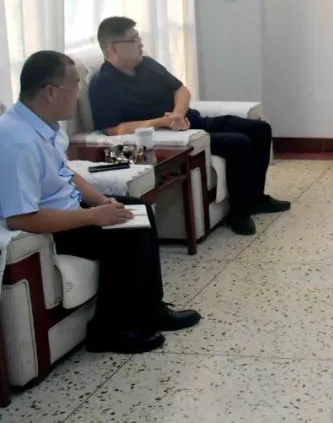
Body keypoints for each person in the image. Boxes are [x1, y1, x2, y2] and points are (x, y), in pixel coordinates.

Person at [0, 51, 201, 354]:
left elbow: (65, 173)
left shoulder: (44, 125)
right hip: (49, 228)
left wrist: (104, 201)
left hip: (69, 210)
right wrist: (94, 217)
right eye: (75, 85)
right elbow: (22, 218)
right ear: (51, 92)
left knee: (136, 210)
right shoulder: (17, 141)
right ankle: (109, 331)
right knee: (127, 235)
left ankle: (151, 310)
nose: (79, 93)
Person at [89, 17, 290, 236]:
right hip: (171, 139)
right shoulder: (103, 84)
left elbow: (181, 90)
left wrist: (177, 113)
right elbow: (114, 129)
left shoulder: (147, 65)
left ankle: (256, 199)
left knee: (260, 129)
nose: (140, 44)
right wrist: (162, 122)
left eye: (139, 38)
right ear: (113, 48)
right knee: (238, 143)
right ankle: (239, 213)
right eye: (133, 40)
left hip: (193, 123)